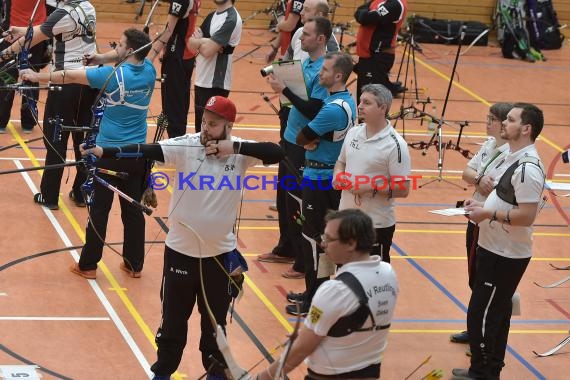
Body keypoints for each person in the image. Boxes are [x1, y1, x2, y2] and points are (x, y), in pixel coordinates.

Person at [80, 96, 285, 380]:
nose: (206, 128)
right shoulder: (187, 146)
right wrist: (104, 151)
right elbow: (144, 150)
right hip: (180, 252)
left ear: (228, 126)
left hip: (219, 257)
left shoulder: (240, 152)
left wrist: (232, 147)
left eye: (213, 124)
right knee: (172, 324)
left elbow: (277, 152)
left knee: (215, 329)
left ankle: (216, 375)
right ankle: (162, 374)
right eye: (204, 121)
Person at [23, 28, 156, 279]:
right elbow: (142, 52)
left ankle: (88, 265)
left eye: (120, 45)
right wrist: (99, 58)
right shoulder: (149, 71)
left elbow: (69, 76)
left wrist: (35, 76)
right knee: (132, 210)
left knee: (99, 210)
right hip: (137, 154)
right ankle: (134, 264)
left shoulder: (112, 76)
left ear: (129, 51)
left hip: (107, 152)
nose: (115, 48)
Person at [452, 103, 546, 380]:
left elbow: (527, 216)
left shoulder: (529, 167)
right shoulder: (512, 157)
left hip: (505, 253)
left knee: (481, 314)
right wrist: (478, 204)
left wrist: (488, 212)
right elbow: (504, 197)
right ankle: (489, 370)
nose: (504, 122)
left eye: (511, 119)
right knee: (497, 314)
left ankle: (481, 372)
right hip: (493, 246)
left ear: (526, 129)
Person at [255, 208, 399, 380]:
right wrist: (307, 334)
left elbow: (301, 349)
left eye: (329, 239)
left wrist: (262, 378)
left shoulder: (336, 290)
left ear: (351, 243)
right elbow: (348, 323)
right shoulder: (388, 274)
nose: (323, 244)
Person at [0, 0, 98, 210]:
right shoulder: (87, 7)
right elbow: (43, 29)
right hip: (89, 83)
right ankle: (81, 193)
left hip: (65, 84)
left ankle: (50, 196)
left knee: (56, 140)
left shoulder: (63, 13)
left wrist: (4, 54)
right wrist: (21, 31)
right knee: (84, 138)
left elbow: (31, 39)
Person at [259, 16, 331, 279]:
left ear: (321, 39)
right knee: (287, 199)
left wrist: (285, 91)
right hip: (290, 138)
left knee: (301, 203)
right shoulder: (308, 63)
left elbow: (314, 108)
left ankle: (304, 261)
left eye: (307, 35)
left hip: (304, 144)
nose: (300, 38)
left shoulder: (324, 68)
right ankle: (288, 248)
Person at [291, 50, 356, 316]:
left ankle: (314, 300)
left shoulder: (331, 109)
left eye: (325, 70)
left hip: (320, 179)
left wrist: (307, 139)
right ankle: (312, 292)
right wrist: (310, 139)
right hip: (325, 176)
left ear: (338, 75)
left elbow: (300, 137)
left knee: (313, 238)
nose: (320, 74)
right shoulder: (345, 101)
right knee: (319, 239)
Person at [449, 103, 513, 345]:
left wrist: (482, 182)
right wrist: (479, 178)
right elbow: (467, 173)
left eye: (492, 119)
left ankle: (485, 335)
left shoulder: (510, 154)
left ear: (504, 125)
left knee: (488, 282)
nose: (487, 122)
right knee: (474, 277)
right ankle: (475, 328)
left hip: (492, 223)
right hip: (475, 219)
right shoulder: (488, 145)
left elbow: (496, 187)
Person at [333, 83, 411, 264]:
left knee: (370, 281)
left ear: (382, 108)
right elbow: (341, 162)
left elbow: (403, 189)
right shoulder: (353, 132)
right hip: (345, 217)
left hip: (374, 224)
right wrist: (338, 175)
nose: (360, 106)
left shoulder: (395, 145)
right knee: (344, 275)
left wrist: (369, 187)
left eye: (367, 103)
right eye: (360, 101)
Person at [187, 0, 241, 132]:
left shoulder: (232, 19)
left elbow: (207, 51)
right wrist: (207, 41)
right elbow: (190, 44)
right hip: (202, 81)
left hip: (216, 84)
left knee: (211, 134)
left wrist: (202, 42)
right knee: (200, 131)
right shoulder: (212, 16)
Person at [149, 0, 200, 138]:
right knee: (180, 106)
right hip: (186, 57)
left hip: (176, 58)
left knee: (172, 109)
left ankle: (176, 147)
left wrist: (150, 57)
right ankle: (179, 143)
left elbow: (168, 30)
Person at [0, 0, 47, 134]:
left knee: (29, 77)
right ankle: (5, 120)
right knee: (7, 77)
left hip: (35, 34)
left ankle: (27, 121)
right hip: (14, 32)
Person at [354, 0, 407, 102]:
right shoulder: (378, 0)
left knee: (370, 100)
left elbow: (367, 18)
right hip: (366, 56)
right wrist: (364, 13)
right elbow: (358, 13)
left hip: (378, 56)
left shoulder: (396, 4)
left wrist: (365, 13)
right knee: (362, 100)